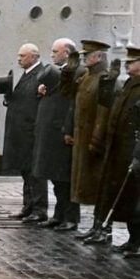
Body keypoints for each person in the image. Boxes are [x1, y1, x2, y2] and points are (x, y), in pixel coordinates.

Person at [91, 45, 140, 257]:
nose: (127, 64)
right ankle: (132, 240)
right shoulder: (128, 85)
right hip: (119, 151)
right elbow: (108, 105)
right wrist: (109, 80)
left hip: (132, 153)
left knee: (133, 198)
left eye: (132, 61)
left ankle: (136, 241)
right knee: (124, 198)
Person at [63, 40, 111, 242]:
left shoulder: (105, 79)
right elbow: (69, 98)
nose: (84, 58)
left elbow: (103, 112)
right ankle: (95, 226)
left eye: (87, 55)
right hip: (81, 140)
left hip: (93, 142)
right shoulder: (85, 77)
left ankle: (101, 227)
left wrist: (96, 140)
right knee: (84, 185)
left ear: (99, 57)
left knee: (98, 185)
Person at [32, 39, 79, 230]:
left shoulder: (75, 72)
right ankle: (59, 215)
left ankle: (70, 217)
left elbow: (72, 104)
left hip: (61, 133)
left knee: (65, 178)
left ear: (67, 53)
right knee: (57, 178)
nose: (51, 55)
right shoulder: (62, 73)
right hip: (52, 133)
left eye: (55, 51)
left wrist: (67, 129)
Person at [2, 43, 46, 221]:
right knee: (26, 171)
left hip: (31, 132)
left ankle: (39, 209)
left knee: (34, 172)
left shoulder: (41, 75)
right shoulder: (27, 74)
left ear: (34, 57)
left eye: (22, 56)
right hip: (22, 132)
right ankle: (28, 206)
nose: (19, 59)